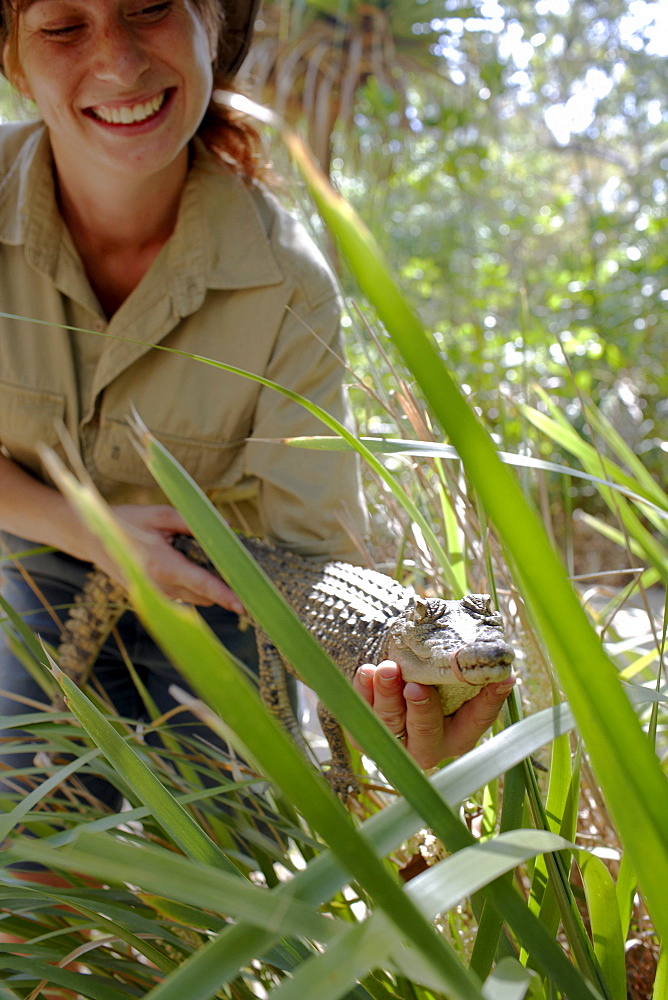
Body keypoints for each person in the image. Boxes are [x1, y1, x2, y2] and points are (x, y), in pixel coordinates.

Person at [0, 0, 515, 808]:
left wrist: (386, 695)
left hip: (224, 594)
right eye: (64, 26)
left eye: (150, 8)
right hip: (29, 540)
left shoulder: (290, 284)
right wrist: (87, 530)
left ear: (214, 24)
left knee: (234, 854)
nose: (121, 62)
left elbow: (314, 554)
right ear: (12, 60)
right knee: (32, 841)